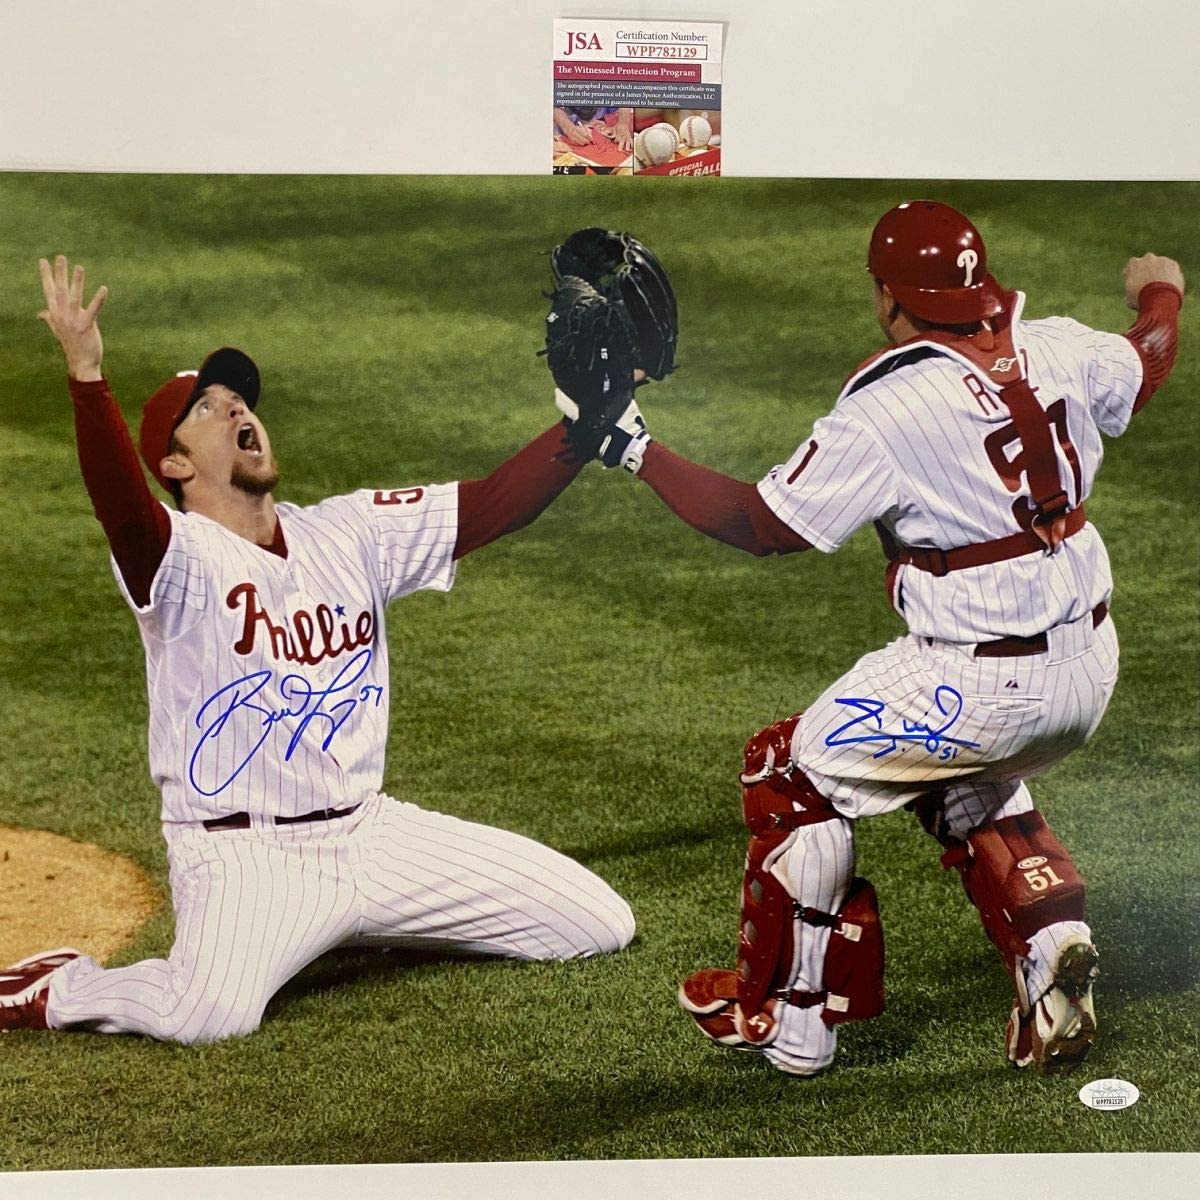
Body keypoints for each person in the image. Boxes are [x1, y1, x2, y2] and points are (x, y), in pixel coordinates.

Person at [564, 202, 1183, 1076]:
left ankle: (789, 1019)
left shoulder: (888, 407)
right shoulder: (1064, 346)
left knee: (791, 772)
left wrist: (630, 446)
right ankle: (1053, 941)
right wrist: (1162, 288)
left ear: (891, 299)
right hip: (1088, 669)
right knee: (958, 777)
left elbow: (762, 522)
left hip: (981, 685)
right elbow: (1149, 356)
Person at [0, 255, 635, 1045]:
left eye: (243, 401)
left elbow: (493, 506)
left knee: (595, 922)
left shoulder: (350, 530)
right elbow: (122, 510)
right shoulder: (179, 558)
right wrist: (86, 377)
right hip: (244, 857)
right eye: (210, 408)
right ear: (174, 462)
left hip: (369, 834)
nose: (240, 412)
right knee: (208, 1016)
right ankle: (64, 987)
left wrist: (591, 419)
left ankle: (345, 924)